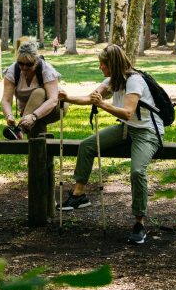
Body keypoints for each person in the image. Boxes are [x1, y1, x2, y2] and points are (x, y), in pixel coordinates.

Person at [58, 44, 163, 245]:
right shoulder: (112, 81)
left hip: (147, 131)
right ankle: (79, 194)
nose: (100, 68)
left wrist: (103, 104)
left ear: (112, 65)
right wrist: (68, 97)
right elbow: (92, 98)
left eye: (102, 64)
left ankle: (139, 223)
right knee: (87, 145)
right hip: (125, 129)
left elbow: (127, 112)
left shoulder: (134, 81)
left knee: (137, 172)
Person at [0, 37, 63, 140]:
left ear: (37, 60)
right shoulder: (12, 71)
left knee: (39, 92)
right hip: (29, 112)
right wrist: (9, 115)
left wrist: (33, 116)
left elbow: (53, 100)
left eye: (29, 64)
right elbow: (6, 100)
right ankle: (38, 154)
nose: (24, 67)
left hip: (55, 108)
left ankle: (19, 130)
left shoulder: (46, 70)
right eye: (21, 63)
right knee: (35, 134)